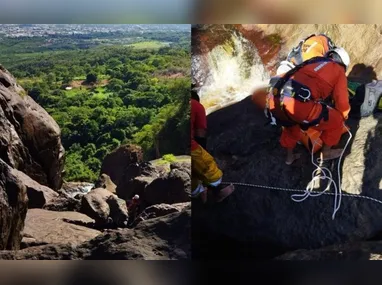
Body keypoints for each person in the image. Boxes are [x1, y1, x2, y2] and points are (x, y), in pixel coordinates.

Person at [267, 47, 351, 165]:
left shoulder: (315, 60)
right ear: (343, 64)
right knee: (336, 120)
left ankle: (289, 158)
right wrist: (343, 118)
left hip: (274, 97)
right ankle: (326, 153)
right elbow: (342, 103)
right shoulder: (338, 70)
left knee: (291, 125)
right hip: (297, 102)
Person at [191, 87, 234, 203]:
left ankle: (199, 194)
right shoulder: (196, 105)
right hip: (191, 145)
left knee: (191, 173)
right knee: (208, 166)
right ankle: (218, 192)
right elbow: (200, 132)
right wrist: (203, 150)